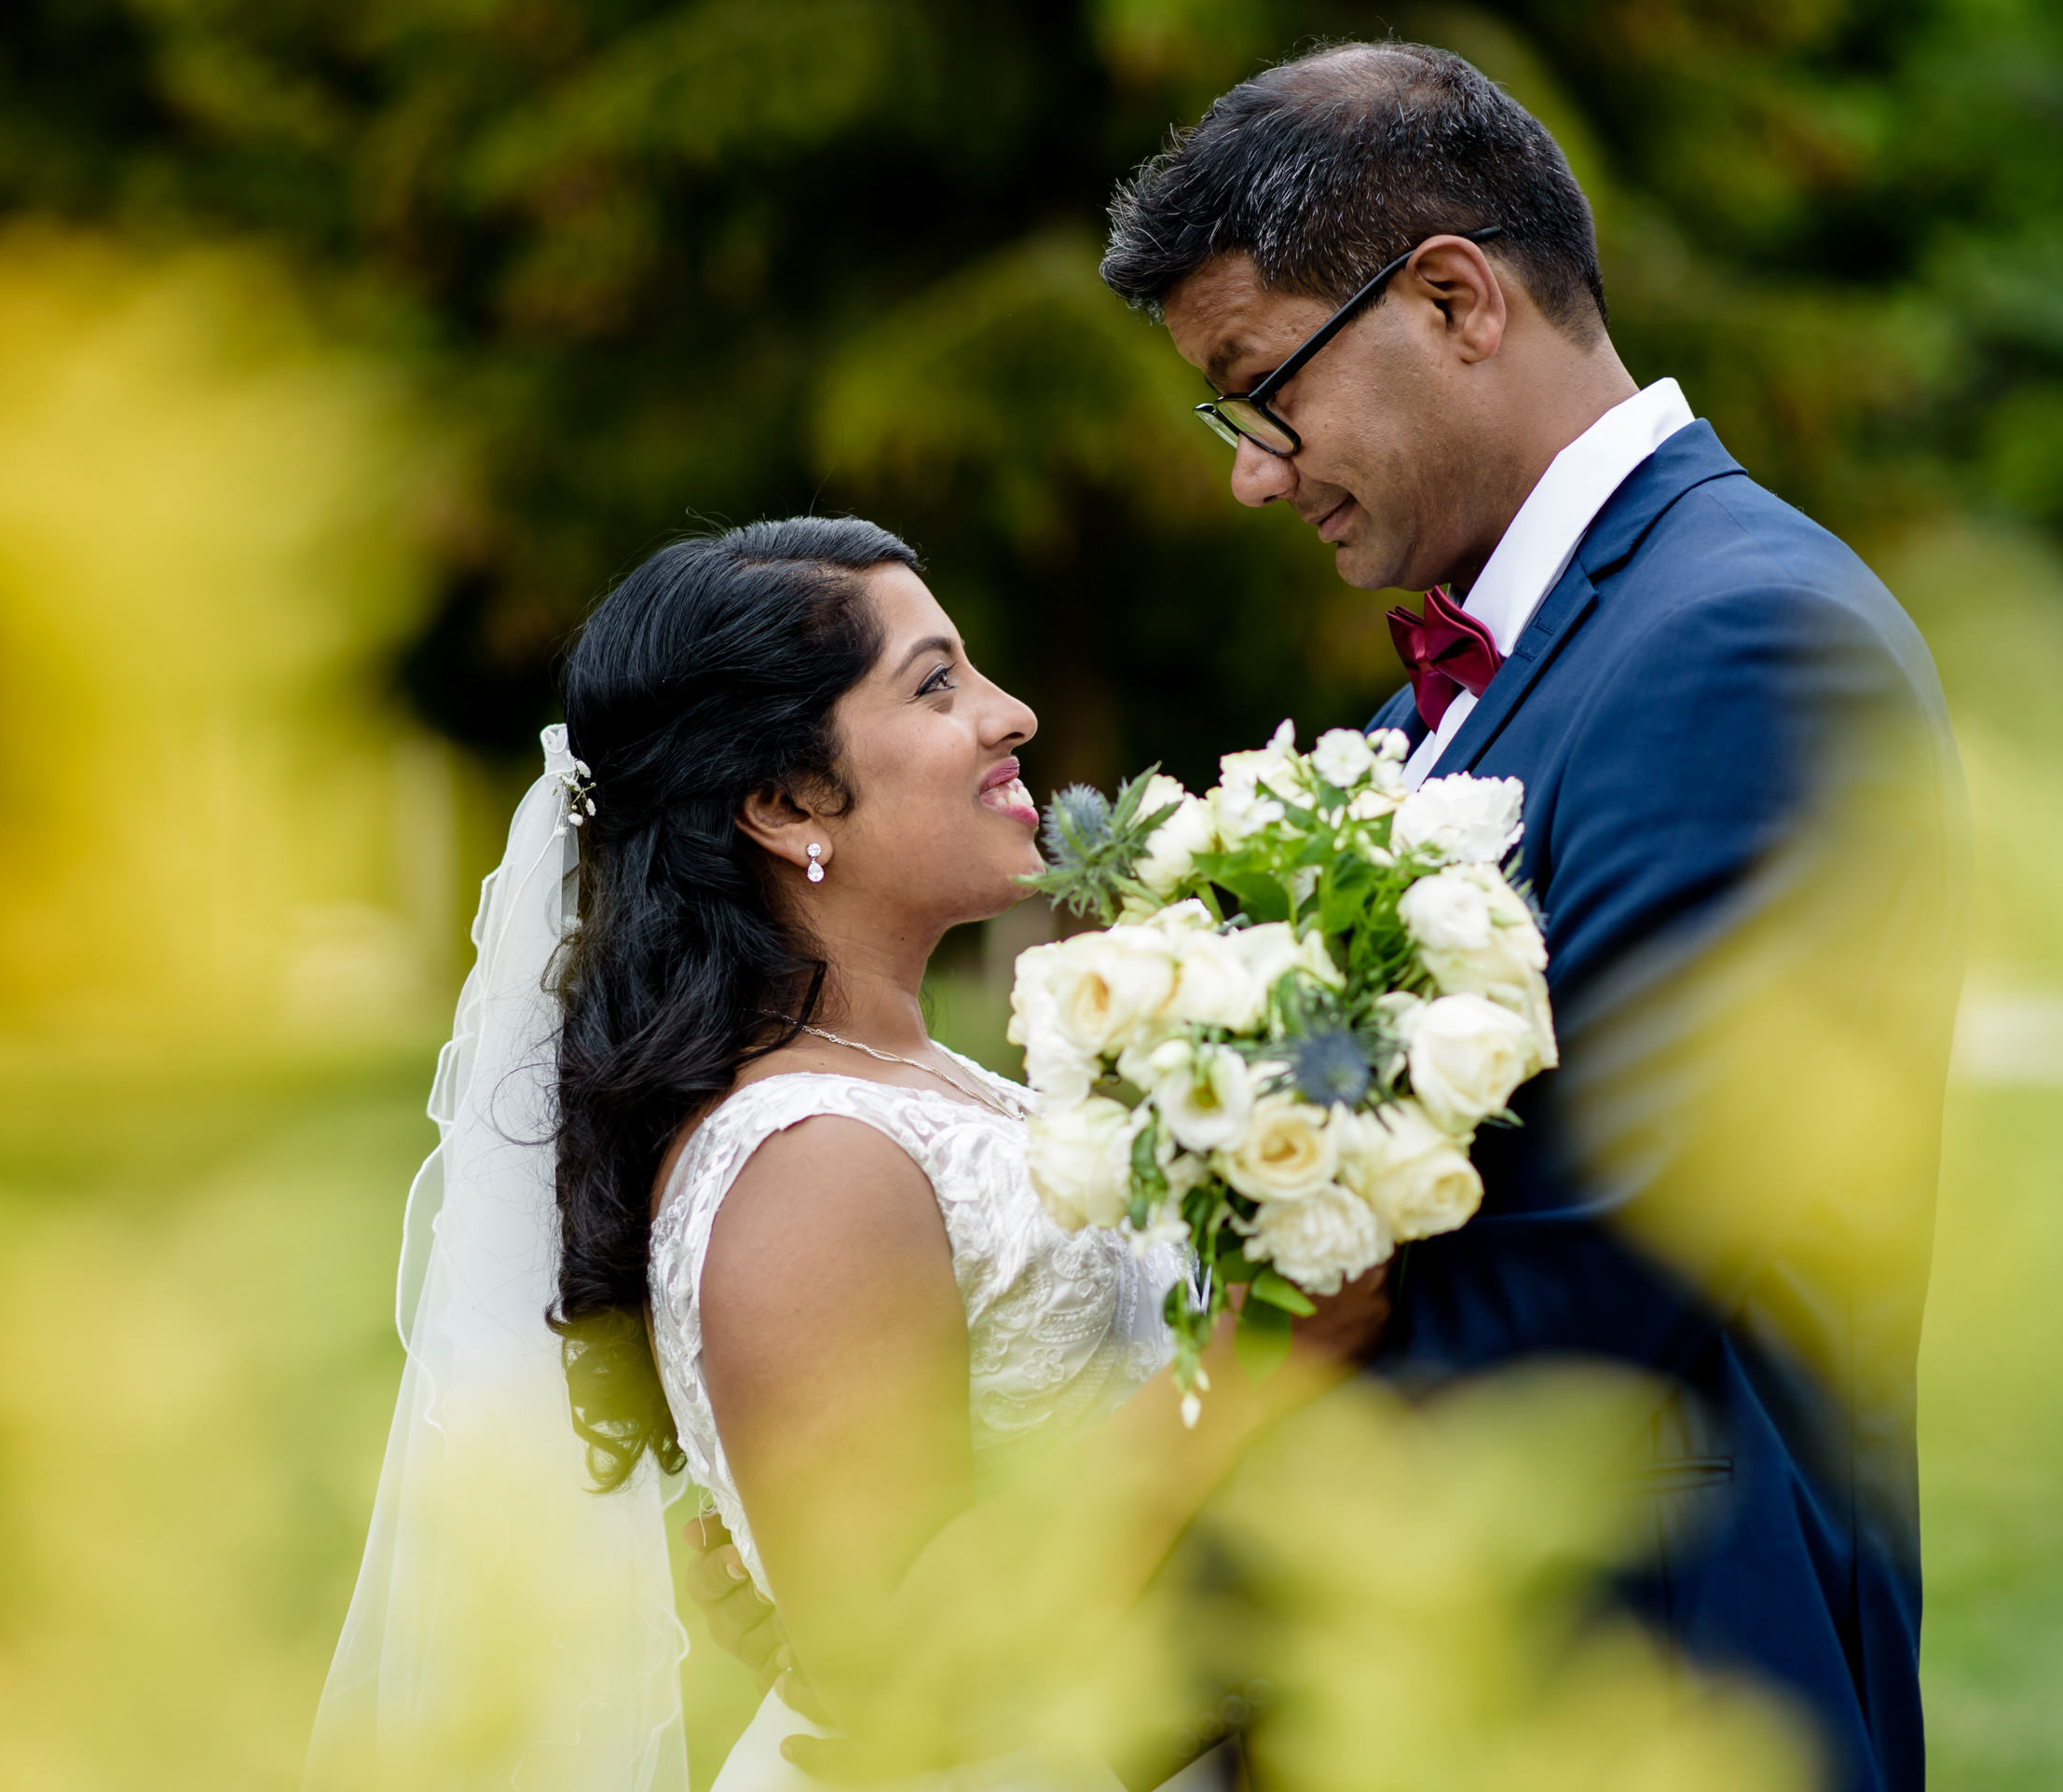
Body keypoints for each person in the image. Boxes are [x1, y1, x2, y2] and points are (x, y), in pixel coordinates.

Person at [698, 42, 1966, 1792]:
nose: (1252, 473)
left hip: (1644, 1672)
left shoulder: (1741, 640)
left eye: (1257, 390)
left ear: (1453, 299)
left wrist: (1018, 1637)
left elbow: (1585, 1269)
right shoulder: (1419, 722)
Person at [307, 516, 1388, 1792]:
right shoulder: (811, 1158)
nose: (1014, 716)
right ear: (781, 803)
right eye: (935, 684)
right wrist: (1253, 1362)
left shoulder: (928, 1090)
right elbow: (900, 1672)